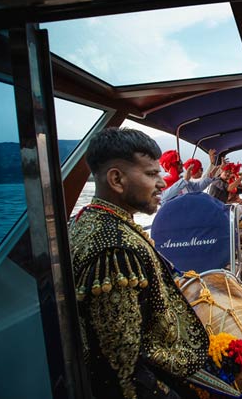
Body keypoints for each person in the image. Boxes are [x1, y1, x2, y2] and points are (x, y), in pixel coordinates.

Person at [69, 128, 209, 399]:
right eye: (151, 174)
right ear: (117, 179)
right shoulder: (115, 252)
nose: (162, 183)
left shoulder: (89, 220)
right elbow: (123, 369)